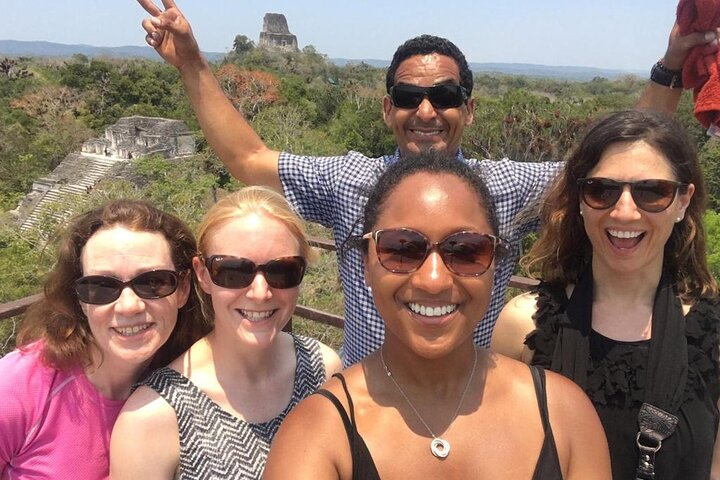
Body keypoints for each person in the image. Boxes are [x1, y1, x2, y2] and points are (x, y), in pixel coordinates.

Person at [136, 0, 719, 366]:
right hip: (370, 398)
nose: (426, 110)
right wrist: (191, 61)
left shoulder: (504, 188)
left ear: (467, 108)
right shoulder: (352, 180)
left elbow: (609, 164)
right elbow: (248, 156)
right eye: (410, 97)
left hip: (473, 405)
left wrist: (669, 67)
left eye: (443, 96)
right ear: (388, 109)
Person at [262, 150, 611, 479]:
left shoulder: (565, 415)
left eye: (466, 250)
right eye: (401, 249)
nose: (433, 280)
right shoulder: (318, 434)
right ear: (365, 264)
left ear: (496, 264)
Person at [491, 110, 720, 479]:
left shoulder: (713, 337)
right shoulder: (523, 326)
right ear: (580, 200)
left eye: (652, 191)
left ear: (682, 201)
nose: (625, 212)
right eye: (602, 190)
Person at [110, 186, 342, 479]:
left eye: (282, 271)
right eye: (233, 272)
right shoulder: (152, 417)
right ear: (203, 274)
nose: (260, 293)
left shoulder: (321, 367)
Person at [0, 199, 209, 480]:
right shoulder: (20, 386)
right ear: (81, 301)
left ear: (182, 289)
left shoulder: (195, 381)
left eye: (152, 282)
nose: (129, 306)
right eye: (101, 287)